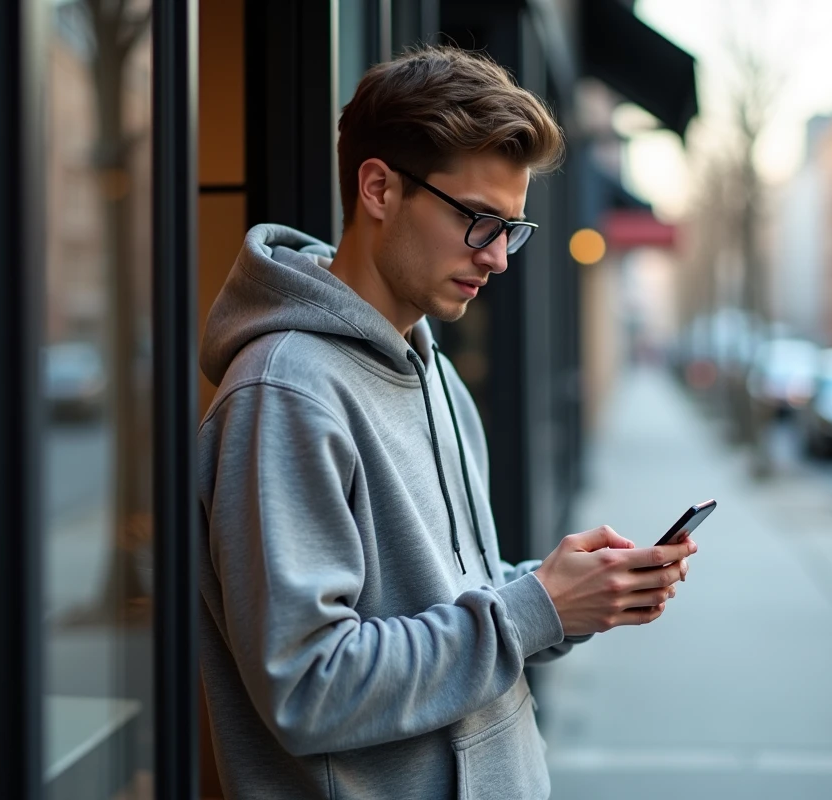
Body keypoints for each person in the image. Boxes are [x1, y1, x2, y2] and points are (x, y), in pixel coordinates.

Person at [197, 45, 697, 799]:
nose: (498, 258)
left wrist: (570, 596)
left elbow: (458, 601)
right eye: (478, 220)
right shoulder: (286, 393)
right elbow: (307, 687)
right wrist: (534, 609)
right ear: (379, 188)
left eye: (512, 228)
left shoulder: (436, 374)